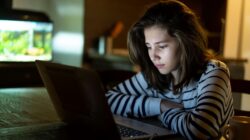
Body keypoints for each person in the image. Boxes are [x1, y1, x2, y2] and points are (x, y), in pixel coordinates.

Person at [105, 0, 234, 139]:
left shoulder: (213, 72)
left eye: (161, 46)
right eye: (149, 46)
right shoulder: (153, 75)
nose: (153, 56)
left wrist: (163, 114)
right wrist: (160, 105)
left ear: (185, 42)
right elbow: (107, 101)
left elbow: (200, 130)